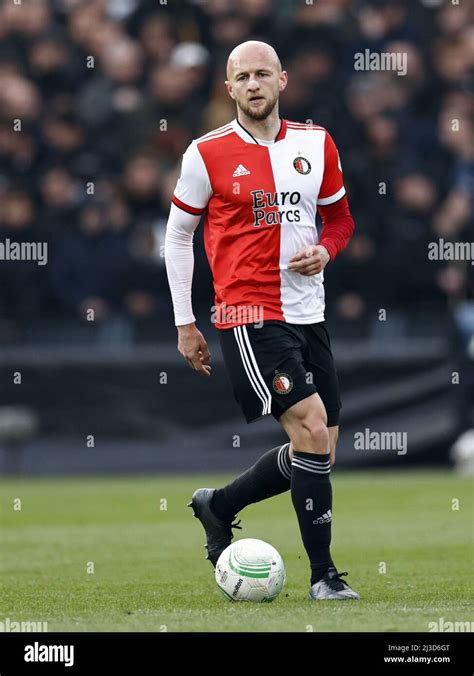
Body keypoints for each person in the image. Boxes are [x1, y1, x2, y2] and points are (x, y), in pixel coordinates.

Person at [165, 40, 359, 600]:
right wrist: (186, 322)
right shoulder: (206, 152)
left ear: (282, 80)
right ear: (229, 88)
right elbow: (178, 237)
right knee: (312, 429)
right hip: (247, 311)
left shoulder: (316, 143)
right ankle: (324, 577)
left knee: (320, 450)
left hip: (309, 310)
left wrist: (326, 251)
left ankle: (218, 504)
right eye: (242, 76)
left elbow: (341, 218)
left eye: (262, 74)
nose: (253, 84)